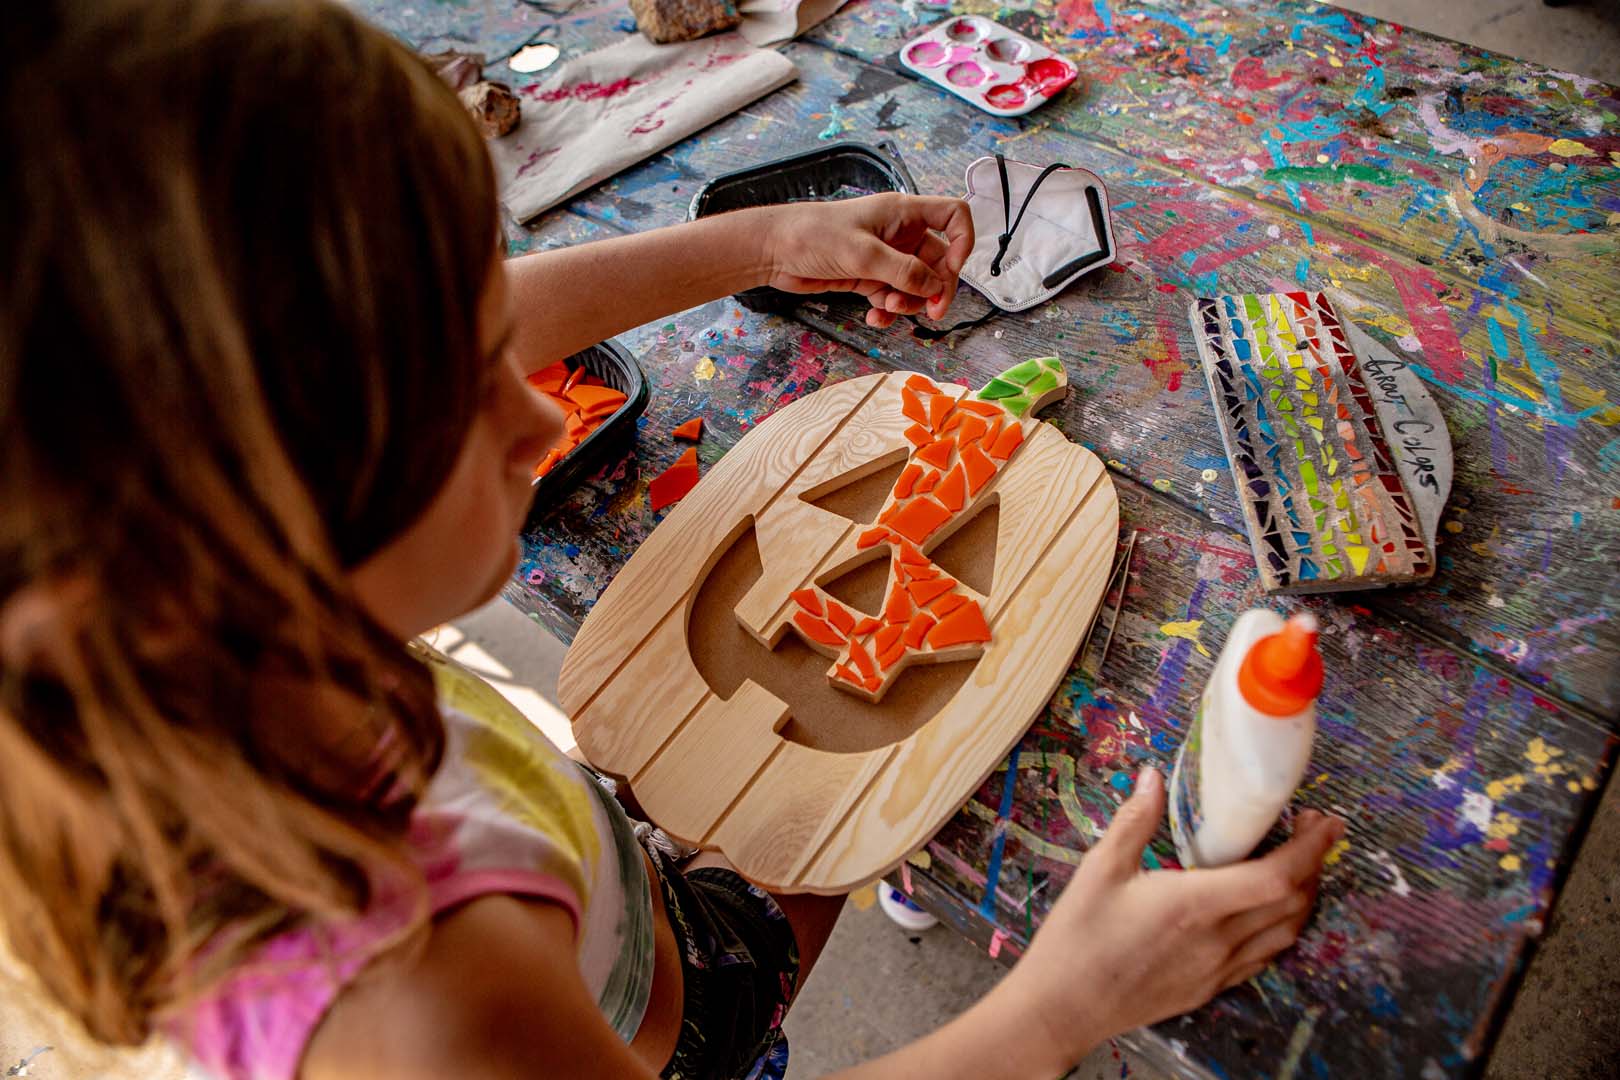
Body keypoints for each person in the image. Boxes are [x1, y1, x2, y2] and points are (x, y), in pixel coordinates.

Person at [0, 2, 1345, 1078]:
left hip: (619, 914)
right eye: (468, 390)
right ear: (225, 548)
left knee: (802, 818)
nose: (539, 405)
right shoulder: (430, 1009)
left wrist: (761, 237)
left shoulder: (164, 632)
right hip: (659, 1042)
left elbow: (427, 332)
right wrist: (1065, 1006)